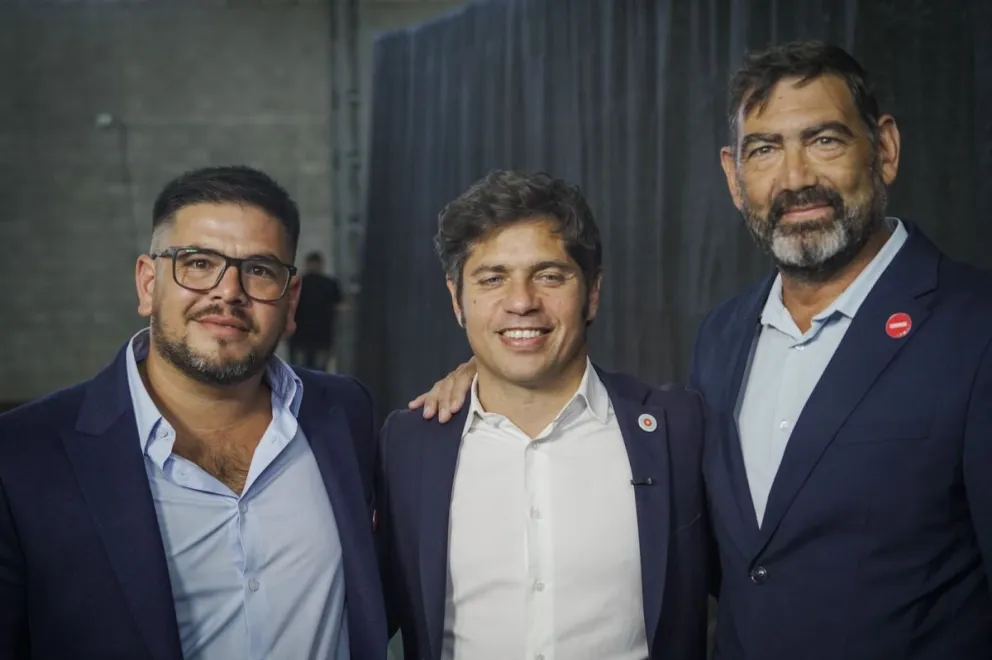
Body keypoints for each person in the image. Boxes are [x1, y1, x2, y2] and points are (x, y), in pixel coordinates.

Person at [410, 41, 992, 659]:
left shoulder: (973, 329)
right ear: (734, 177)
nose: (795, 179)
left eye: (824, 140)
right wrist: (496, 365)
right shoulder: (725, 335)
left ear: (886, 149)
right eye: (764, 149)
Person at [0, 166, 387, 660]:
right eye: (199, 263)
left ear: (290, 303)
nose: (228, 291)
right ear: (148, 283)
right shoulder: (21, 458)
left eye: (260, 270)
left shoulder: (345, 414)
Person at [376, 170, 712, 660]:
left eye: (550, 276)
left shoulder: (676, 431)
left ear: (592, 292)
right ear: (456, 300)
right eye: (492, 279)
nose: (521, 303)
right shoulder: (406, 445)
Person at [289, 251, 346, 371]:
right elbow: (340, 305)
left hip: (304, 332)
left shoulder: (298, 283)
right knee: (318, 369)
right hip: (319, 332)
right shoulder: (329, 283)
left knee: (300, 369)